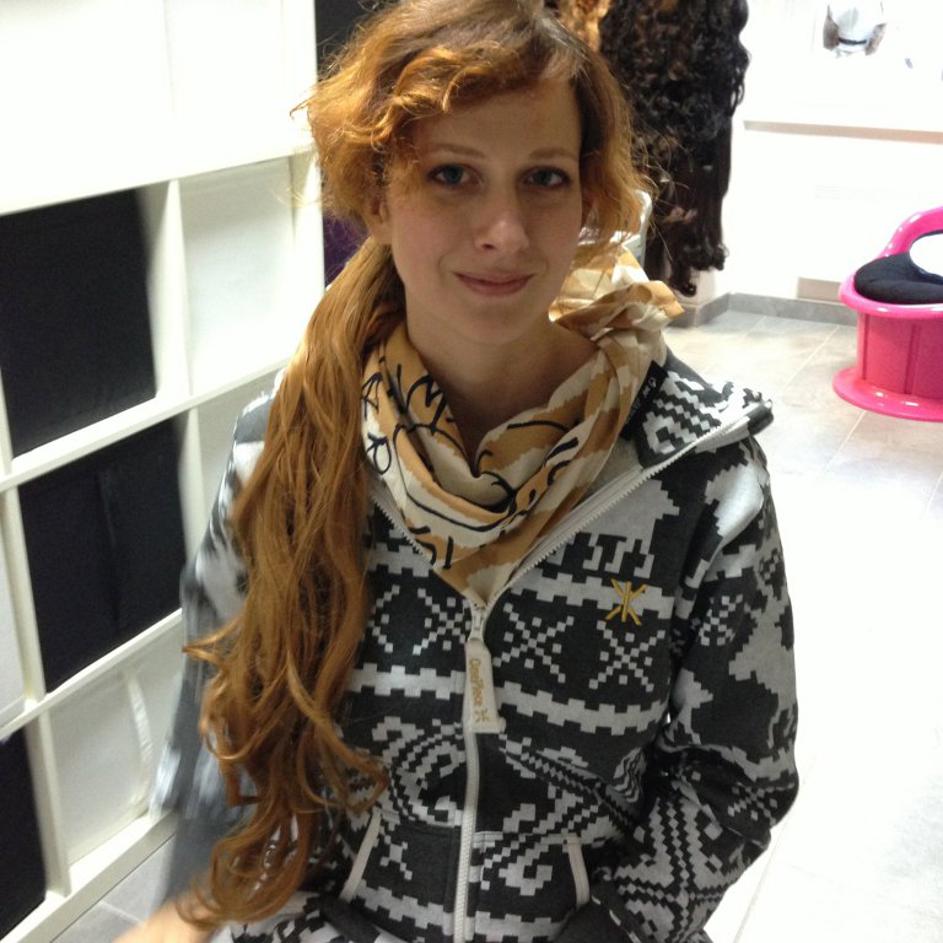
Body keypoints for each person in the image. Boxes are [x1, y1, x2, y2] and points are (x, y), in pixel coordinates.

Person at [120, 0, 798, 940]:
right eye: (450, 174)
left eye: (543, 178)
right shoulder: (281, 450)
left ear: (586, 198)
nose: (504, 232)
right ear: (376, 195)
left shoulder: (697, 472)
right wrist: (218, 912)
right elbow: (226, 741)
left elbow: (735, 774)